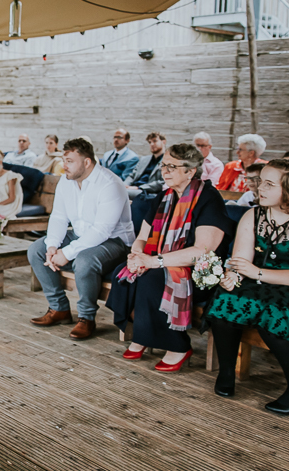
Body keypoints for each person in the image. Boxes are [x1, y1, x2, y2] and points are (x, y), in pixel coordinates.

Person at [208, 159, 289, 414]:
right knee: (225, 300)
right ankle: (226, 372)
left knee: (272, 316)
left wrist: (257, 273)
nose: (258, 188)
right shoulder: (253, 215)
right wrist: (232, 276)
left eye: (268, 183)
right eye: (258, 182)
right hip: (257, 281)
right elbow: (241, 261)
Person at [107, 143, 230, 371]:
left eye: (172, 166)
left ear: (190, 171)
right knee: (123, 274)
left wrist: (153, 261)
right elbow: (142, 237)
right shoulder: (163, 197)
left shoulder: (208, 199)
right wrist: (137, 255)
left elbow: (202, 251)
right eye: (164, 165)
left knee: (151, 279)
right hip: (159, 260)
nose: (165, 171)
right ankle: (143, 334)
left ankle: (178, 346)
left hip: (198, 271)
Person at [28, 139, 134, 341]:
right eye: (63, 160)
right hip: (80, 234)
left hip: (115, 241)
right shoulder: (65, 181)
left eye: (69, 161)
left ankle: (86, 318)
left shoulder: (110, 184)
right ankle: (59, 309)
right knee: (36, 249)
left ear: (86, 162)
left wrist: (66, 253)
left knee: (85, 260)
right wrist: (52, 246)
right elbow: (59, 216)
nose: (63, 165)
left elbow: (102, 230)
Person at [124, 131, 167, 200]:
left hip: (146, 191)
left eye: (155, 141)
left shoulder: (167, 161)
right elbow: (132, 175)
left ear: (163, 142)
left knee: (119, 193)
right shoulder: (144, 159)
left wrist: (139, 187)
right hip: (132, 188)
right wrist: (124, 185)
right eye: (150, 142)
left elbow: (162, 182)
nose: (152, 144)